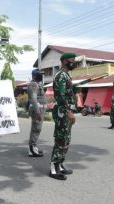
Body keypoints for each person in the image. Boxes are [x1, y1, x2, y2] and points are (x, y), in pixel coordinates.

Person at [49, 53, 77, 181]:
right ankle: (53, 169)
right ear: (65, 61)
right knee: (61, 139)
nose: (74, 63)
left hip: (67, 112)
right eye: (72, 60)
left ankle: (60, 165)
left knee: (66, 139)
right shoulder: (60, 75)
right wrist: (68, 111)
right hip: (63, 112)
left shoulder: (66, 75)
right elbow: (60, 96)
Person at [27, 68, 47, 157]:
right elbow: (33, 99)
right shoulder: (33, 85)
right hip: (37, 111)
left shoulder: (37, 84)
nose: (41, 76)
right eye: (39, 75)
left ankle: (34, 147)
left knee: (37, 128)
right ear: (34, 76)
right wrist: (38, 113)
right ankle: (32, 150)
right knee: (36, 128)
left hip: (39, 110)